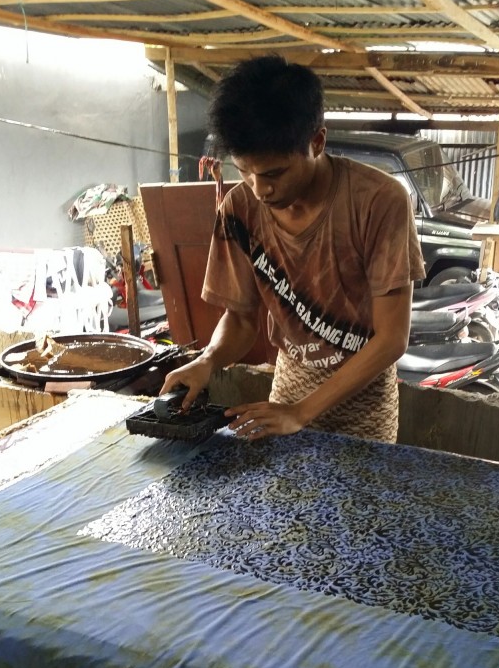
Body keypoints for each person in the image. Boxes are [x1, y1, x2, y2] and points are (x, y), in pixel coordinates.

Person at [160, 55, 425, 442]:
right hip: (288, 390)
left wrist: (302, 413)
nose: (259, 189)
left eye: (273, 173)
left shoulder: (380, 201)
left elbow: (391, 338)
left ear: (317, 141)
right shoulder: (238, 209)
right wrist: (208, 360)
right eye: (244, 171)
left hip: (365, 407)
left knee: (359, 502)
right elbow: (241, 319)